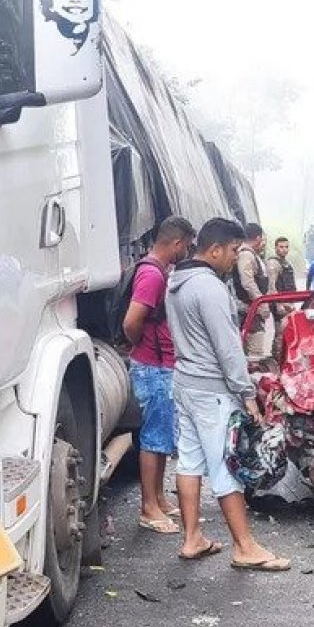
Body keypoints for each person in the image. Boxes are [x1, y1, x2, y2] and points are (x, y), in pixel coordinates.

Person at [165, 218, 291, 571]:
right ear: (215, 249)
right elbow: (228, 348)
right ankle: (245, 546)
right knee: (226, 465)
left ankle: (192, 539)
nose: (235, 259)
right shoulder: (210, 288)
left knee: (189, 461)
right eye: (234, 251)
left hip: (185, 383)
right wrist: (247, 394)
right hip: (212, 390)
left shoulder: (176, 282)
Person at [122, 216, 195, 534]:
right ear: (177, 243)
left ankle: (160, 499)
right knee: (153, 437)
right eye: (187, 246)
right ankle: (148, 507)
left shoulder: (156, 270)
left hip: (160, 365)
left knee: (162, 434)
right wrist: (145, 348)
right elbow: (131, 322)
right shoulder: (152, 275)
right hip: (154, 368)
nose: (187, 252)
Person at [234, 223, 274, 372]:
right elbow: (248, 282)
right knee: (254, 354)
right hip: (249, 311)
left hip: (252, 311)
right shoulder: (246, 255)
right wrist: (261, 304)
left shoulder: (251, 255)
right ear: (258, 238)